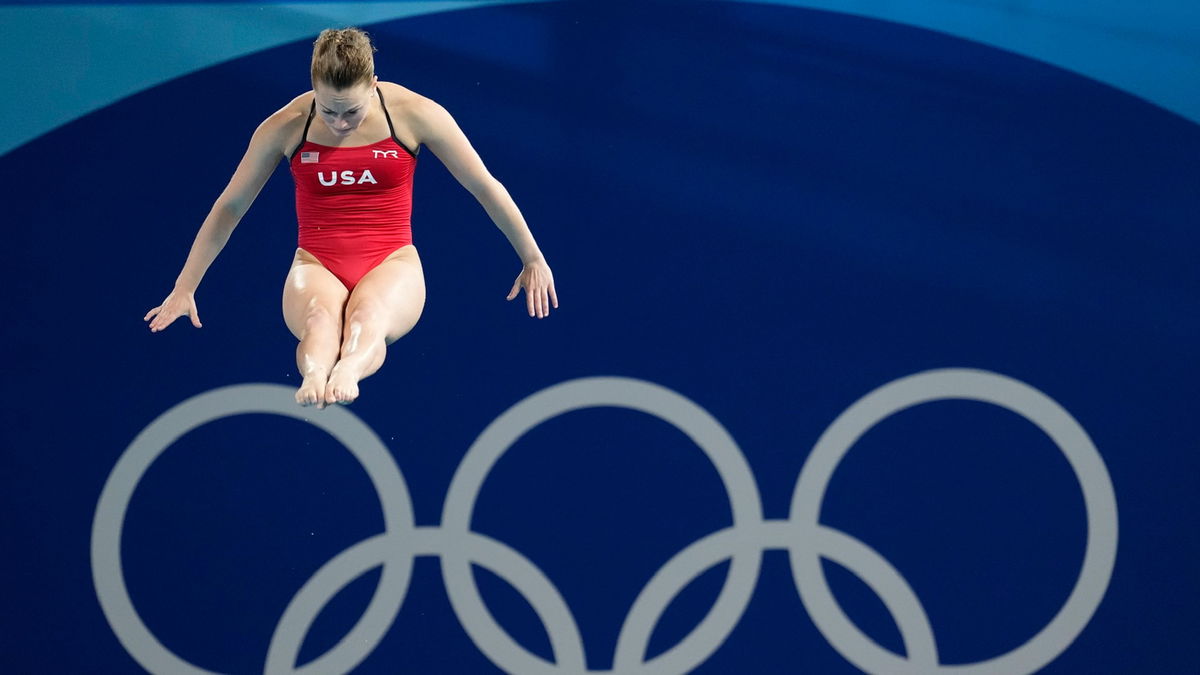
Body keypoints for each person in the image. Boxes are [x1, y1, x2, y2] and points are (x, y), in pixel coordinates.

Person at [145, 27, 557, 408]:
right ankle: (314, 374)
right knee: (319, 321)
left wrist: (532, 256)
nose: (340, 123)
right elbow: (230, 206)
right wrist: (185, 286)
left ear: (374, 85)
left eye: (351, 112)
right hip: (315, 261)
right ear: (312, 89)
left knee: (369, 316)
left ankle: (349, 369)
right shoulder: (285, 126)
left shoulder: (415, 114)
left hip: (392, 259)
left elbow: (484, 186)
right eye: (328, 111)